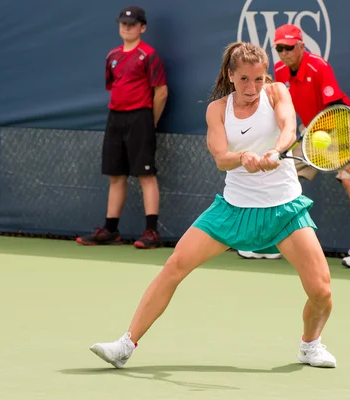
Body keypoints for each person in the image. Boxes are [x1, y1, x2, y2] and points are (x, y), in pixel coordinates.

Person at [89, 41, 337, 369]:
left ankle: (310, 345)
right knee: (175, 266)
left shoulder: (277, 92)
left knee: (321, 291)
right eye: (245, 79)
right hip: (233, 210)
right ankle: (125, 344)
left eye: (259, 79)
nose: (253, 87)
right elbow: (221, 158)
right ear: (231, 76)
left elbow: (289, 127)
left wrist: (277, 150)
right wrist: (243, 157)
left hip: (284, 209)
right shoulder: (217, 110)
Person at [237, 24, 350, 269]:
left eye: (289, 48)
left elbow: (335, 109)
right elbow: (283, 109)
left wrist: (347, 150)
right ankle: (269, 243)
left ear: (301, 46)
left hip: (338, 128)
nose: (284, 53)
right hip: (309, 132)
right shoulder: (280, 70)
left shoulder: (318, 66)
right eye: (279, 48)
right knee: (282, 177)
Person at [77, 6, 168, 249]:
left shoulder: (149, 55)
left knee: (146, 175)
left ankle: (151, 232)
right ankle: (110, 229)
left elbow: (161, 92)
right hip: (115, 118)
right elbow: (115, 86)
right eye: (123, 24)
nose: (127, 28)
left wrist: (151, 121)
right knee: (116, 176)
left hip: (141, 118)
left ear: (142, 27)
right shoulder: (112, 56)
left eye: (132, 24)